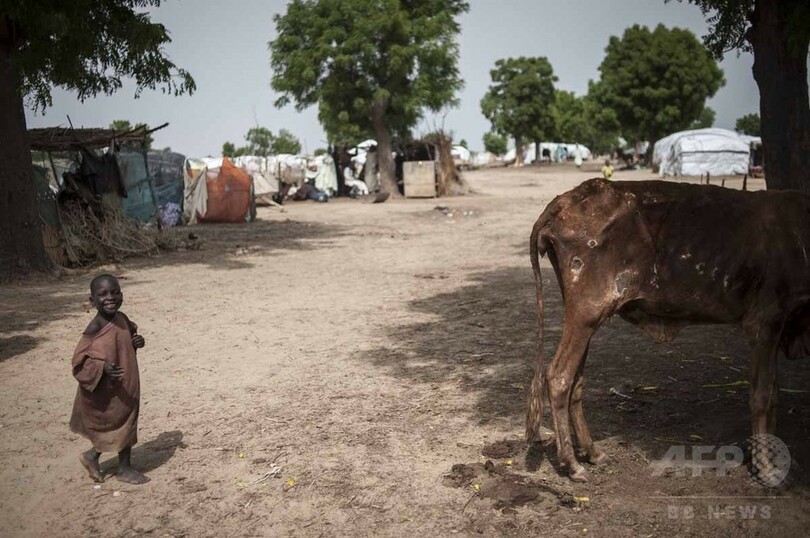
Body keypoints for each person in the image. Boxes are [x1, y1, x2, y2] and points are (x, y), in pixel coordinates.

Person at [70, 274, 149, 484]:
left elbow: (127, 337)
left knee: (127, 421)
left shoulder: (121, 318)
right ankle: (122, 468)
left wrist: (136, 341)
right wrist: (102, 367)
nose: (110, 297)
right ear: (92, 300)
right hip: (107, 390)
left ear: (121, 294)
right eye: (103, 294)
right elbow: (79, 361)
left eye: (115, 292)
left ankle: (96, 458)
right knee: (115, 424)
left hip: (126, 384)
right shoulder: (95, 327)